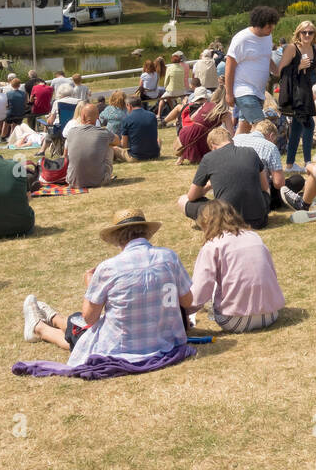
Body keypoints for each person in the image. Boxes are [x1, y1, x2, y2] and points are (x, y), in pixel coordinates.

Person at [21, 209, 193, 370]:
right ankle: (54, 318)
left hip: (123, 346)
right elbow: (187, 301)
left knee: (79, 330)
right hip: (166, 341)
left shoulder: (109, 268)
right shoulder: (169, 257)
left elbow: (90, 318)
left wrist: (91, 286)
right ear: (147, 232)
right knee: (77, 326)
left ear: (117, 237)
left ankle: (39, 327)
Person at [188, 200, 286, 333]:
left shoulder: (213, 245)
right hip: (271, 314)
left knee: (215, 281)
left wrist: (183, 311)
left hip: (234, 321)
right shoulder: (254, 236)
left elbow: (201, 289)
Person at [178, 127, 269, 229]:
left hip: (226, 222)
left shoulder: (208, 158)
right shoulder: (251, 152)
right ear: (231, 141)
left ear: (213, 146)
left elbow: (191, 196)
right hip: (258, 220)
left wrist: (208, 186)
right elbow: (265, 188)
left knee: (183, 200)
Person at [277, 20, 316, 171]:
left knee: (296, 127)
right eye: (304, 32)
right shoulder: (292, 48)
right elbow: (280, 71)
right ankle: (307, 162)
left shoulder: (315, 49)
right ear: (298, 33)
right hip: (294, 92)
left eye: (310, 32)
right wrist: (299, 66)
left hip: (306, 90)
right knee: (309, 124)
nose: (307, 35)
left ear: (314, 35)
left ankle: (289, 164)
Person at [227, 6, 281, 134]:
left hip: (259, 92)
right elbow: (230, 64)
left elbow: (267, 58)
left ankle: (235, 152)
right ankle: (265, 153)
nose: (271, 29)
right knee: (262, 127)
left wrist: (278, 71)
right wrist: (228, 93)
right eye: (269, 26)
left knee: (244, 127)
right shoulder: (242, 39)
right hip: (244, 91)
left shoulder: (268, 37)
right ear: (259, 25)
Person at [65, 104, 116, 189]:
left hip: (73, 181)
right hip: (99, 181)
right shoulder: (103, 133)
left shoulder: (71, 132)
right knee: (110, 149)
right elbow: (117, 142)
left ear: (82, 117)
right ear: (98, 117)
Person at [118, 95, 160, 161]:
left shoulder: (126, 119)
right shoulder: (152, 115)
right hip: (155, 154)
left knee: (114, 149)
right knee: (159, 140)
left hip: (136, 156)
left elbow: (124, 145)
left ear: (129, 105)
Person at [157, 52, 190, 120]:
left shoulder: (169, 68)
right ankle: (184, 113)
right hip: (181, 91)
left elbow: (166, 80)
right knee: (183, 99)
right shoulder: (182, 68)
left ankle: (158, 115)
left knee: (162, 99)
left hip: (171, 91)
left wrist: (166, 87)